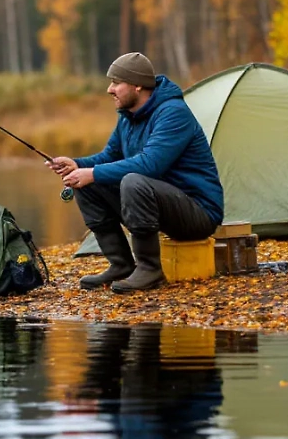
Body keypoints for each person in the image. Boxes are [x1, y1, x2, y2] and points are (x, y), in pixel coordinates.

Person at [47, 52, 224, 293]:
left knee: (132, 181)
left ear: (137, 85)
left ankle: (150, 269)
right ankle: (121, 265)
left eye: (115, 83)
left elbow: (150, 165)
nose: (109, 89)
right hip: (159, 204)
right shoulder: (128, 117)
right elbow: (109, 157)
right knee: (87, 183)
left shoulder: (173, 113)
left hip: (198, 213)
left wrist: (92, 172)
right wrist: (76, 165)